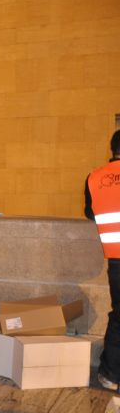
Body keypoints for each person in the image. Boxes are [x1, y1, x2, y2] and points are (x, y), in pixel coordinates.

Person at [85, 130, 120, 391]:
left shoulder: (94, 177)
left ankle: (109, 374)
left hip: (116, 257)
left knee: (119, 315)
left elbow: (90, 212)